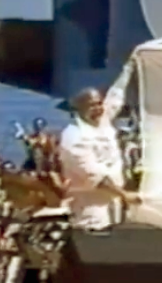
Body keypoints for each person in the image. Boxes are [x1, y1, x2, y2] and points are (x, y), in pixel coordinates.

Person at [58, 59, 142, 229]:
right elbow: (94, 175)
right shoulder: (74, 137)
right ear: (79, 109)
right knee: (98, 245)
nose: (98, 109)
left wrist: (129, 68)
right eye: (91, 105)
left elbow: (116, 96)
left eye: (99, 104)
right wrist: (124, 194)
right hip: (91, 207)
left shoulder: (103, 122)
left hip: (115, 203)